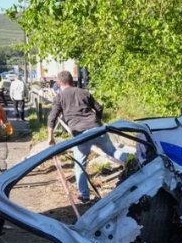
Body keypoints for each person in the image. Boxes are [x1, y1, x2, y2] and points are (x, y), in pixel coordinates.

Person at [47, 70, 128, 203]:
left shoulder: (59, 97)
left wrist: (50, 137)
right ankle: (134, 160)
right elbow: (99, 108)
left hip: (80, 134)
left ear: (59, 83)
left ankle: (84, 195)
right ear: (71, 81)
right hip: (97, 129)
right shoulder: (84, 92)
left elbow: (52, 117)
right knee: (113, 151)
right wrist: (98, 121)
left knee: (80, 165)